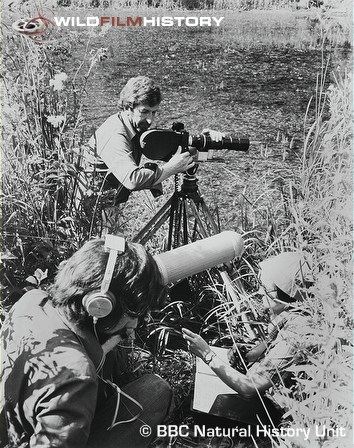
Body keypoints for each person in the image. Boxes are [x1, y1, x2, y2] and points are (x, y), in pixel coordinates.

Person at [0, 236, 173, 448]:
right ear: (100, 306)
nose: (135, 323)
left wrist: (114, 336)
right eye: (134, 313)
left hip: (11, 427)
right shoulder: (76, 375)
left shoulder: (33, 299)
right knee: (155, 391)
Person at [182, 251, 311, 427]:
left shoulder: (298, 333)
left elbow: (249, 389)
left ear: (284, 296)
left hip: (274, 409)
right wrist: (246, 355)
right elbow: (267, 345)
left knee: (208, 408)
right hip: (263, 390)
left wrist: (207, 354)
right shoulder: (290, 313)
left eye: (265, 289)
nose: (259, 291)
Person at [83, 76, 222, 233]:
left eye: (154, 112)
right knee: (107, 255)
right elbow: (133, 179)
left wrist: (204, 142)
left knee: (117, 251)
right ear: (128, 107)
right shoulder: (115, 134)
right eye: (145, 112)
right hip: (91, 210)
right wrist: (169, 169)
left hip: (109, 204)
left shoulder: (135, 126)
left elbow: (174, 153)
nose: (150, 120)